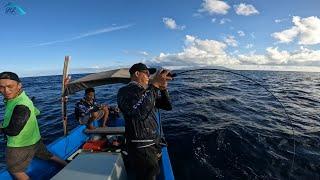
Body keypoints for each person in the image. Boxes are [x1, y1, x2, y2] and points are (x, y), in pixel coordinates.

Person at [0, 71, 67, 180]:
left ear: (19, 85)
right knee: (48, 155)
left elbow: (13, 131)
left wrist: (1, 127)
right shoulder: (22, 98)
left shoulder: (21, 105)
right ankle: (66, 165)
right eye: (2, 87)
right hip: (35, 139)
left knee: (15, 171)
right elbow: (36, 112)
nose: (6, 91)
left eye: (10, 86)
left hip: (19, 145)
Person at [117, 63, 172, 180]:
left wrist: (163, 89)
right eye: (146, 73)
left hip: (152, 142)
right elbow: (137, 110)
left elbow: (167, 106)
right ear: (137, 74)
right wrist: (155, 84)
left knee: (153, 172)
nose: (149, 76)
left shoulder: (147, 92)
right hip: (141, 146)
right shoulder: (125, 90)